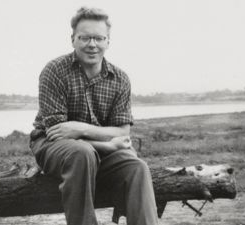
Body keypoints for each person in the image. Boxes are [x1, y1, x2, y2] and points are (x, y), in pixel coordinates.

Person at [29, 7, 158, 225]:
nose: (92, 44)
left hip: (99, 153)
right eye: (85, 37)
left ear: (108, 41)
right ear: (73, 39)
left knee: (137, 167)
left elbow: (123, 132)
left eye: (99, 38)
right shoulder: (54, 71)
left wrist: (81, 128)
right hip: (51, 146)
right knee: (82, 153)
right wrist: (107, 145)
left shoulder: (120, 79)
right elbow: (58, 133)